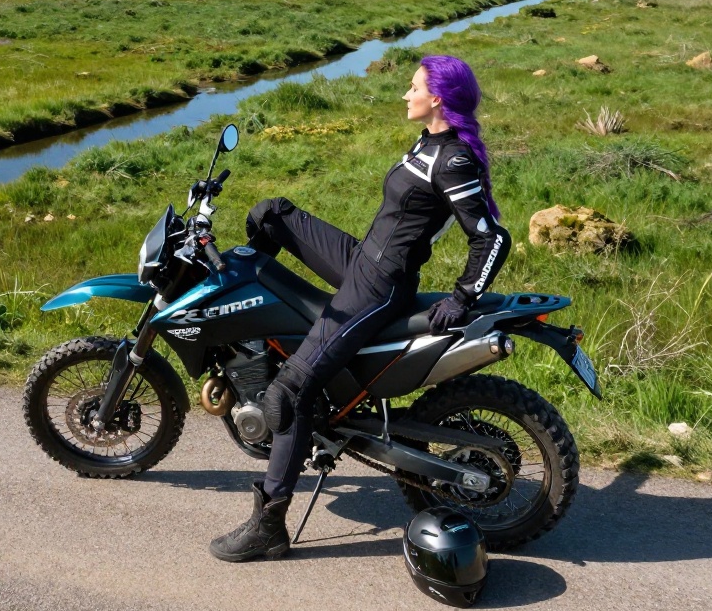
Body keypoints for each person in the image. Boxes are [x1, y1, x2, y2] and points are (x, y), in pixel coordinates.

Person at [209, 54, 512, 562]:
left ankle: (269, 526)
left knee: (288, 395)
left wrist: (463, 297)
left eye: (413, 87)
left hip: (379, 285)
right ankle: (261, 332)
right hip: (361, 259)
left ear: (437, 98)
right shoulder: (431, 141)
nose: (405, 94)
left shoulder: (451, 158)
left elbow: (491, 239)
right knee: (273, 215)